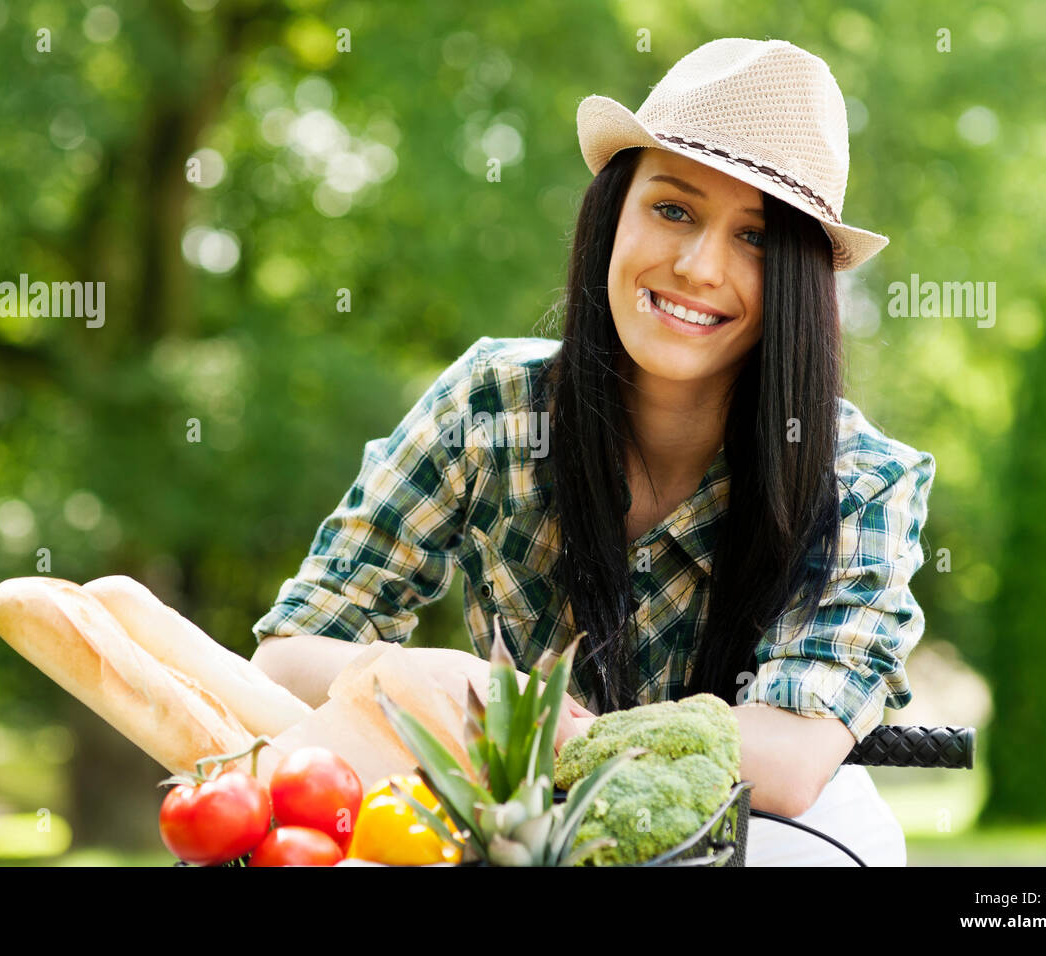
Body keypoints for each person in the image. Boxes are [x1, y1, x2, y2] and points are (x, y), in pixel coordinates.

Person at [251, 38, 936, 866]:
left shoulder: (861, 476)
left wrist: (522, 724)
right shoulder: (490, 406)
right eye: (672, 209)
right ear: (613, 213)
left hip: (774, 833)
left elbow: (789, 761)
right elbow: (287, 655)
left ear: (799, 275)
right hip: (527, 821)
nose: (697, 266)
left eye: (754, 238)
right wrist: (408, 678)